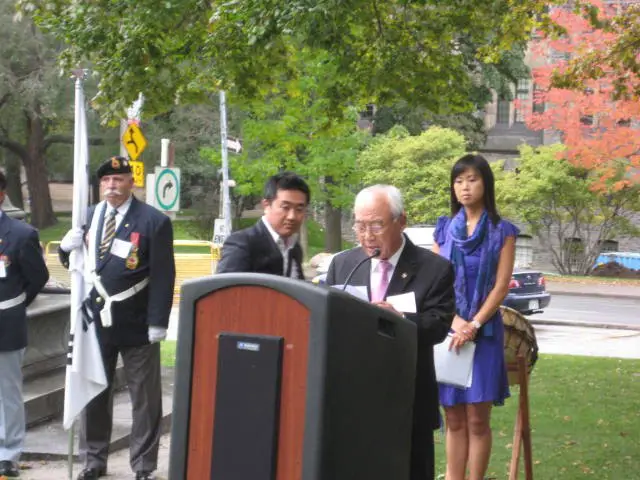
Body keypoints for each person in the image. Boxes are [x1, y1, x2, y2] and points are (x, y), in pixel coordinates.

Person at [325, 185, 455, 480]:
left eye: (377, 225)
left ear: (401, 221)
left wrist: (402, 320)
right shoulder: (344, 264)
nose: (367, 235)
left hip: (407, 399)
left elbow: (438, 324)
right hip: (353, 399)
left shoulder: (434, 268)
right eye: (360, 225)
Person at [59, 156, 176, 480]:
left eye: (119, 179)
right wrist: (66, 249)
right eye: (106, 181)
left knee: (144, 398)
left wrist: (158, 322)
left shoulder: (153, 221)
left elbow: (164, 275)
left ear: (132, 182)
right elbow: (78, 265)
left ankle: (143, 465)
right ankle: (93, 460)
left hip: (137, 321)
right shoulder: (88, 216)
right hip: (95, 321)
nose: (112, 186)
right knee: (94, 391)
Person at [432, 154, 518, 480]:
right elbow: (436, 283)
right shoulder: (444, 230)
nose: (465, 187)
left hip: (484, 335)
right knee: (453, 417)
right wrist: (456, 323)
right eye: (458, 181)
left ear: (486, 183)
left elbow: (500, 287)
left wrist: (475, 324)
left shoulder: (502, 231)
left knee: (477, 418)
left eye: (472, 179)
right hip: (450, 331)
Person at [0, 172, 49, 478]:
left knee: (6, 392)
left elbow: (37, 278)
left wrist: (15, 306)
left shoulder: (20, 234)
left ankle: (7, 452)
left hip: (4, 321)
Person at [216, 171, 310, 278]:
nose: (292, 216)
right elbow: (225, 291)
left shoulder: (294, 247)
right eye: (285, 207)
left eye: (299, 209)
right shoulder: (242, 243)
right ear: (266, 205)